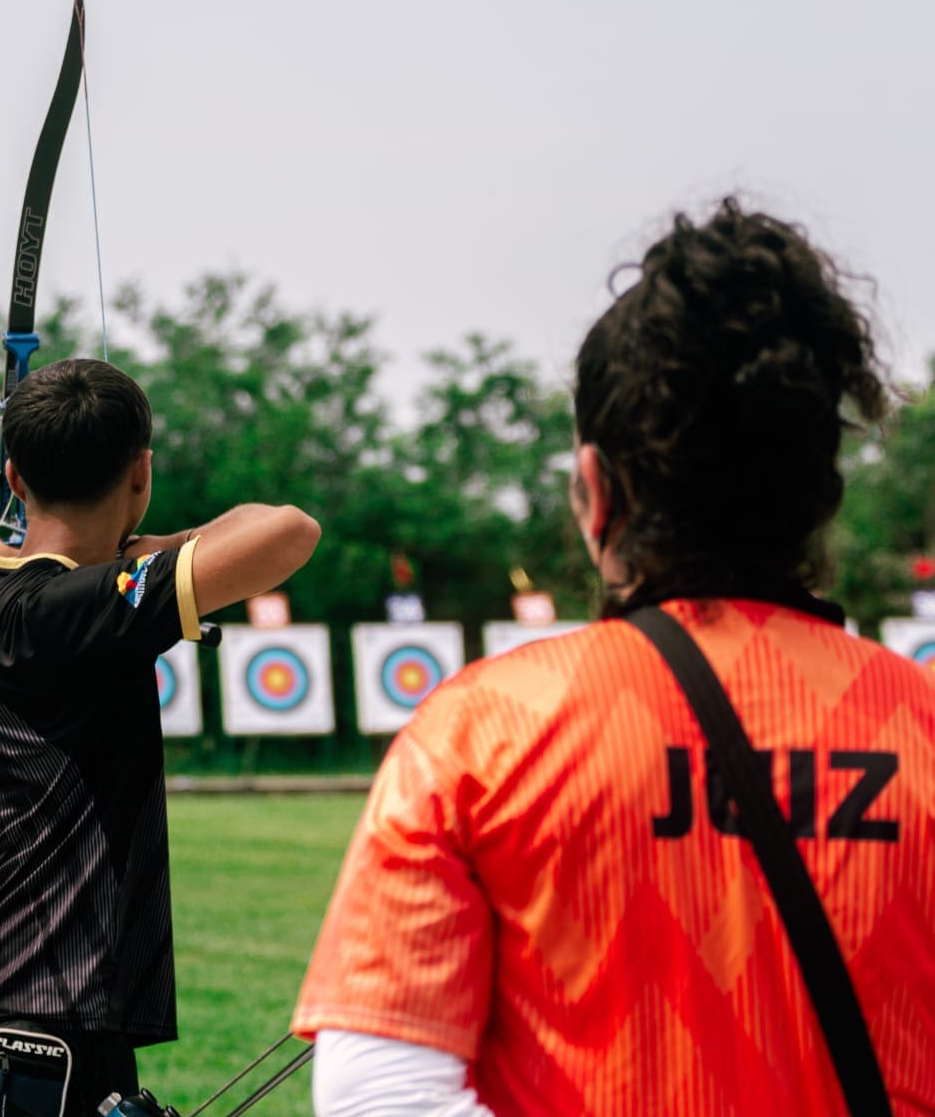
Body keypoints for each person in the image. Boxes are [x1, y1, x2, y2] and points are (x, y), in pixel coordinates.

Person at [292, 199, 935, 1115]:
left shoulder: (481, 734)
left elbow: (380, 1096)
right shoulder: (923, 727)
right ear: (817, 491)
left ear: (596, 491)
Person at [0, 357, 321, 1117]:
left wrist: (54, 559)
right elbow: (288, 531)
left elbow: (20, 575)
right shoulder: (66, 615)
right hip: (46, 1025)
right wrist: (139, 552)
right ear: (142, 472)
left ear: (13, 477)